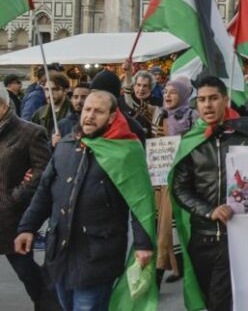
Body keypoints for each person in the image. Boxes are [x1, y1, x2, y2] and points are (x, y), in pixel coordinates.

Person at [16, 90, 155, 311]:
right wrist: (27, 227)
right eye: (87, 110)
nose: (90, 116)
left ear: (111, 116)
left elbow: (141, 201)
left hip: (98, 252)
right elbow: (45, 191)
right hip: (60, 251)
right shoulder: (66, 145)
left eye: (98, 111)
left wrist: (143, 244)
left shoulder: (126, 150)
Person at [170, 76, 248, 311]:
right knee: (209, 299)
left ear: (225, 100)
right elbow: (180, 189)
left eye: (213, 98)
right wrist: (210, 211)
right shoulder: (191, 141)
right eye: (202, 100)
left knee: (220, 302)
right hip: (202, 237)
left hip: (237, 238)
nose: (207, 105)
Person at [0, 84, 55, 310]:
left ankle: (48, 304)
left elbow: (44, 169)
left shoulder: (30, 132)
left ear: (3, 105)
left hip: (12, 216)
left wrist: (17, 196)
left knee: (26, 270)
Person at [151, 77, 198, 285]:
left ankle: (162, 270)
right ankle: (171, 265)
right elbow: (131, 102)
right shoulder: (159, 115)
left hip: (183, 176)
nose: (167, 95)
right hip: (160, 177)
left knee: (172, 225)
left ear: (184, 95)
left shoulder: (192, 116)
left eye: (173, 92)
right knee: (161, 223)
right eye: (165, 91)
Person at [90, 69, 147, 145]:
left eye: (98, 95)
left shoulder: (132, 128)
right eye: (91, 94)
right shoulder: (87, 122)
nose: (92, 98)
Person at [122, 64, 160, 132]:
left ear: (150, 88)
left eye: (145, 86)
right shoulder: (122, 101)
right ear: (134, 85)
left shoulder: (158, 103)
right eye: (138, 85)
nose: (141, 89)